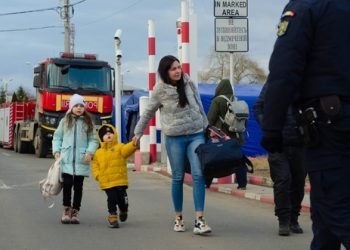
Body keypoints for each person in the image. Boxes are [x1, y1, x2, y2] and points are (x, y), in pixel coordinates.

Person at [261, 1, 350, 248]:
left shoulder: (307, 6)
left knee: (337, 208)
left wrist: (272, 127)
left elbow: (284, 70)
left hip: (332, 124)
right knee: (325, 217)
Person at [132, 55, 211, 235]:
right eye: (173, 69)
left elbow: (198, 104)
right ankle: (179, 218)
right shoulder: (159, 90)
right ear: (165, 72)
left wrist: (206, 126)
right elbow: (147, 112)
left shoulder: (188, 82)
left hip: (196, 134)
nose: (178, 71)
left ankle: (200, 220)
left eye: (179, 67)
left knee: (198, 175)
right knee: (177, 177)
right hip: (174, 137)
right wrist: (137, 132)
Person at [254, 83, 306, 236]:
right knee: (283, 180)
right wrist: (269, 126)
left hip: (300, 142)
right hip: (278, 143)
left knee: (298, 182)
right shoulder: (273, 81)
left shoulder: (305, 81)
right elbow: (258, 107)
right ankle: (283, 220)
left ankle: (294, 218)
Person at [52, 94, 99, 224]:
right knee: (67, 185)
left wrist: (89, 152)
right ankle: (66, 209)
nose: (79, 108)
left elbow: (93, 140)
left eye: (81, 106)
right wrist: (56, 151)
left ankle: (75, 211)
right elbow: (57, 137)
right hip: (66, 159)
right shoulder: (65, 121)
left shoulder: (88, 122)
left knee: (78, 187)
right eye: (76, 105)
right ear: (71, 107)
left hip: (81, 160)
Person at [91, 124, 137, 228]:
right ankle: (112, 216)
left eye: (110, 133)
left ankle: (124, 210)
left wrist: (133, 144)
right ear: (101, 138)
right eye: (105, 134)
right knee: (111, 198)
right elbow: (95, 166)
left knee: (122, 199)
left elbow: (127, 149)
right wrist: (98, 175)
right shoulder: (98, 153)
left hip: (120, 180)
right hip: (107, 182)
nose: (108, 135)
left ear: (114, 134)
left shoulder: (120, 147)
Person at [207, 79, 248, 190]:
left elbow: (210, 119)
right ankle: (242, 184)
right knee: (239, 160)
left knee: (213, 159)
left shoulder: (217, 101)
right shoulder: (237, 101)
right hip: (237, 136)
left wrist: (206, 132)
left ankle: (207, 183)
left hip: (221, 137)